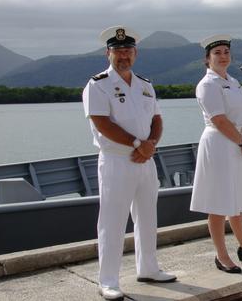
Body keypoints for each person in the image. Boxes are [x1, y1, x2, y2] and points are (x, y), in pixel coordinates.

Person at [82, 25, 176, 300]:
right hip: (117, 160)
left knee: (147, 217)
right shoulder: (98, 85)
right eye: (118, 50)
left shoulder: (145, 85)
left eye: (127, 50)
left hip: (145, 159)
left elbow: (157, 119)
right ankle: (108, 280)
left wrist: (151, 145)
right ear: (107, 53)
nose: (123, 55)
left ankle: (148, 268)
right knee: (112, 221)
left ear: (135, 53)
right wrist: (139, 144)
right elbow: (102, 124)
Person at [189, 34, 242, 274]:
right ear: (207, 58)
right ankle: (221, 255)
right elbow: (219, 119)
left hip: (237, 144)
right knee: (219, 203)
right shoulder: (207, 84)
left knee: (237, 200)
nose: (223, 57)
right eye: (217, 53)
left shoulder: (234, 82)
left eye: (226, 52)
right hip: (219, 145)